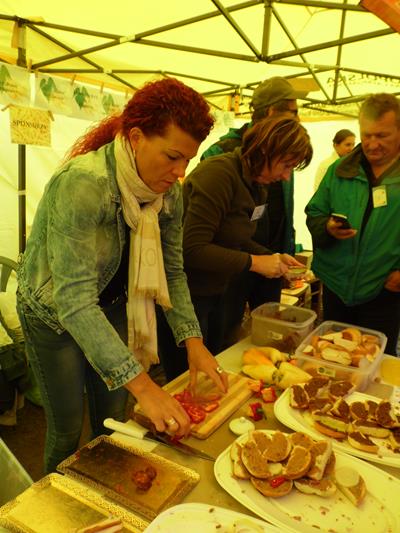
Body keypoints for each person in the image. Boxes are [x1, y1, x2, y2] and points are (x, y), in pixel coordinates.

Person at [16, 78, 229, 474]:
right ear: (135, 138)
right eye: (172, 157)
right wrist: (145, 387)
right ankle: (59, 504)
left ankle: (106, 492)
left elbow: (172, 270)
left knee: (112, 421)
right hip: (53, 316)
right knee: (66, 429)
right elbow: (74, 301)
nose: (180, 172)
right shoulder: (84, 184)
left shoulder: (169, 194)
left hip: (113, 305)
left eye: (188, 160)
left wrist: (193, 342)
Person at [156, 117, 311, 380]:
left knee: (216, 370)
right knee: (187, 380)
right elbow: (191, 248)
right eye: (286, 165)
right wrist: (255, 262)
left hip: (220, 294)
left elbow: (236, 239)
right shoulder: (218, 174)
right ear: (265, 150)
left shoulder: (256, 185)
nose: (286, 176)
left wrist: (270, 256)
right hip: (187, 300)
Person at [305, 93, 400, 355]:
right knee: (332, 359)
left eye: (382, 136)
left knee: (375, 362)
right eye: (367, 135)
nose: (372, 144)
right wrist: (327, 227)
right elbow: (314, 212)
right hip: (336, 286)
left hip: (383, 291)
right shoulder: (339, 170)